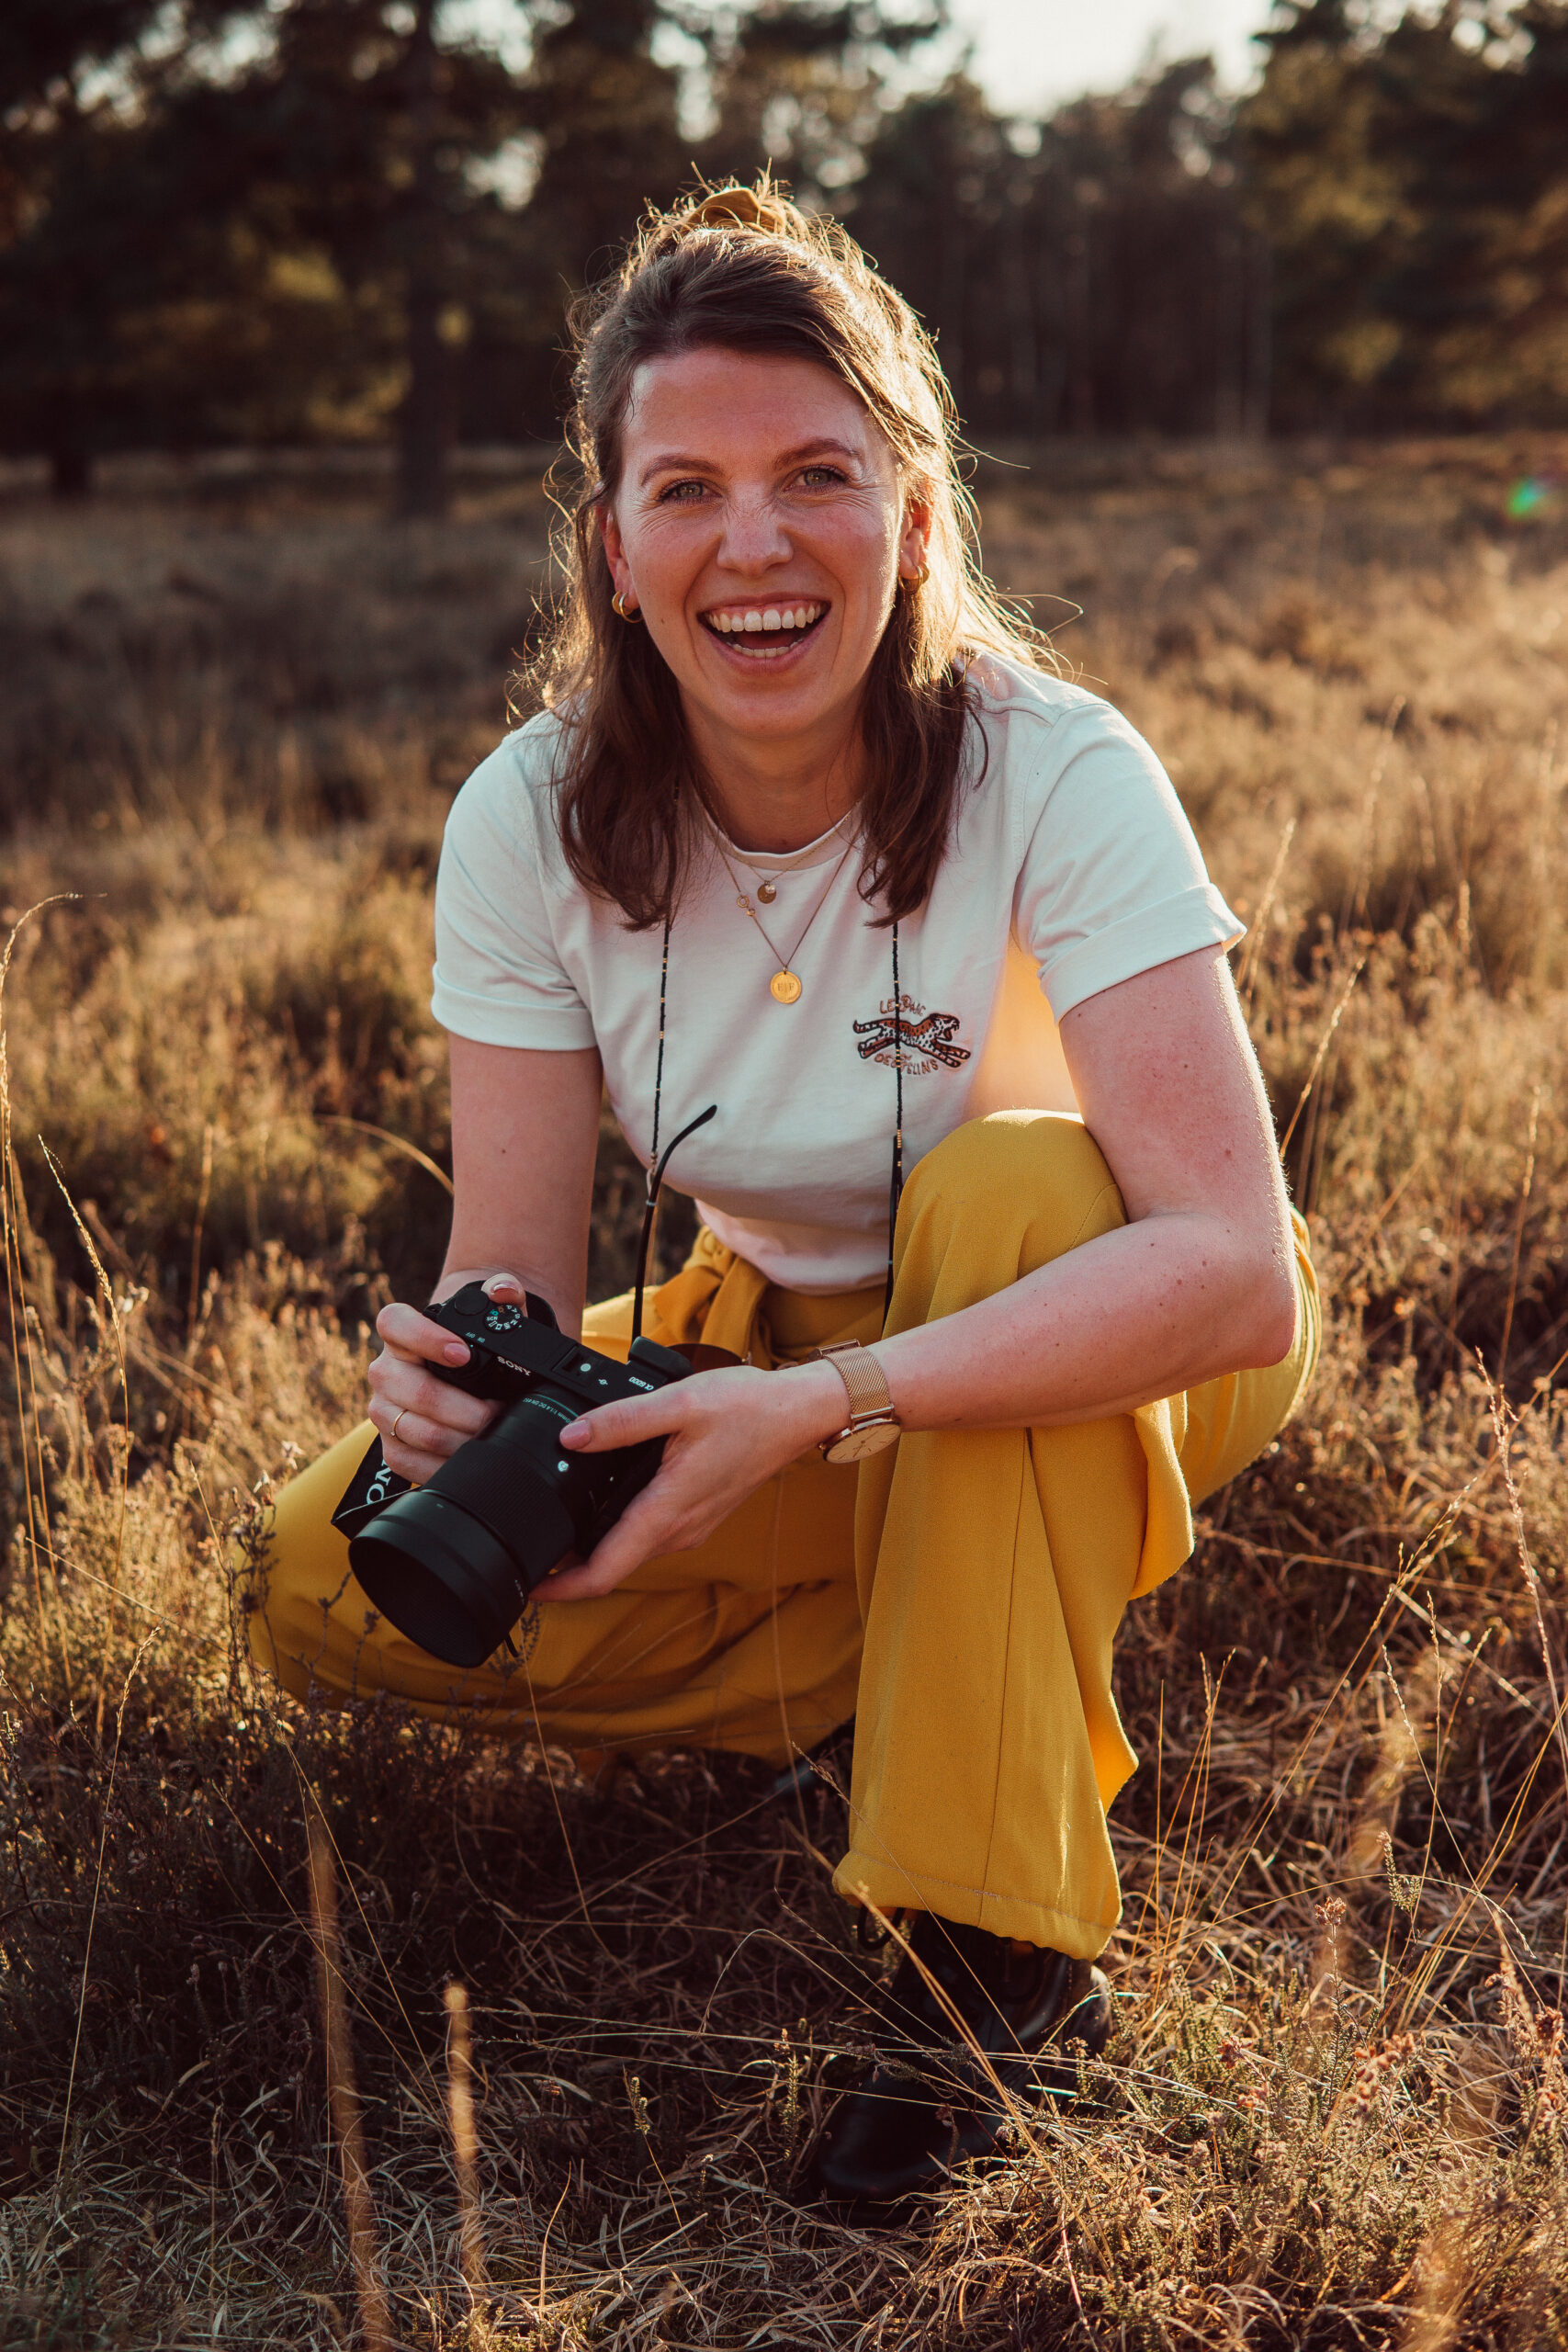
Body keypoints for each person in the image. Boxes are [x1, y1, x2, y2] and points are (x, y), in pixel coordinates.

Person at [248, 179, 1319, 2216]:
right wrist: (458, 1392)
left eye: (816, 473)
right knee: (326, 1574)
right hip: (770, 1345)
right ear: (616, 549)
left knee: (1007, 1188)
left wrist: (833, 1408)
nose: (754, 539)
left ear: (914, 516)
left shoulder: (1052, 768)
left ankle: (984, 1980)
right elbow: (513, 1267)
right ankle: (930, 1661)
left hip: (1119, 1328)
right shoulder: (530, 819)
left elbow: (1229, 1268)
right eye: (688, 488)